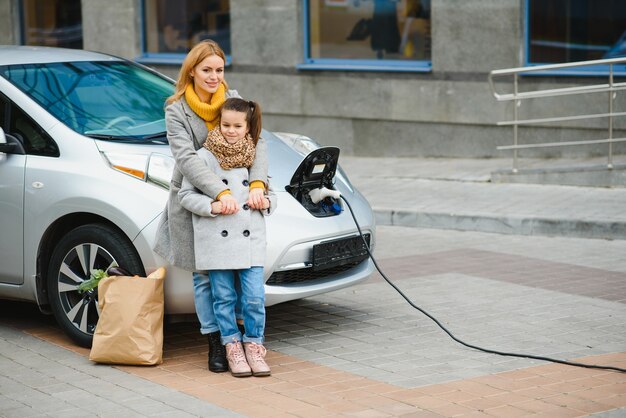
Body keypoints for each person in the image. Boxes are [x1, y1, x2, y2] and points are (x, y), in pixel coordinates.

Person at [153, 40, 268, 373]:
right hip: (199, 199)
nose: (214, 77)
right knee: (205, 277)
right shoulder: (175, 108)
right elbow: (186, 158)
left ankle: (242, 339)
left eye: (219, 70)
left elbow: (257, 140)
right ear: (192, 70)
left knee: (238, 278)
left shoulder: (233, 98)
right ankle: (216, 341)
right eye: (207, 70)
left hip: (235, 204)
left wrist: (258, 183)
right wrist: (219, 194)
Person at [178, 98, 275, 377]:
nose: (230, 131)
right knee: (223, 298)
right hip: (216, 240)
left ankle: (254, 345)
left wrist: (265, 201)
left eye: (237, 126)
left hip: (250, 239)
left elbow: (272, 194)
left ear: (247, 127)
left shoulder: (255, 156)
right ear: (218, 124)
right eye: (225, 125)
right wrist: (213, 206)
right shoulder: (205, 156)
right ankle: (231, 344)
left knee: (254, 297)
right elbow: (186, 195)